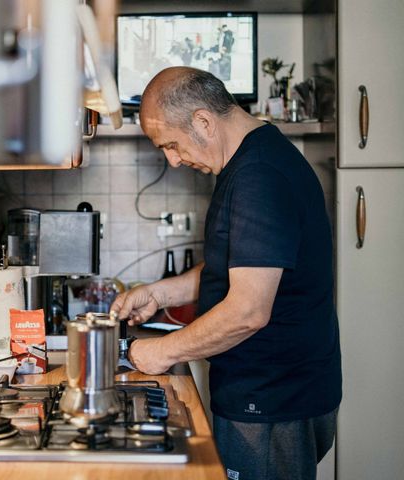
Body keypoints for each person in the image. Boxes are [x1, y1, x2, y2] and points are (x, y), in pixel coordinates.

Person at [110, 67, 341, 480]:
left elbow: (248, 310)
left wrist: (160, 352)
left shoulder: (258, 177)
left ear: (202, 121)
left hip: (272, 399)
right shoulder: (255, 159)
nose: (173, 161)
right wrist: (161, 294)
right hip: (273, 391)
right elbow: (241, 267)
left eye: (172, 145)